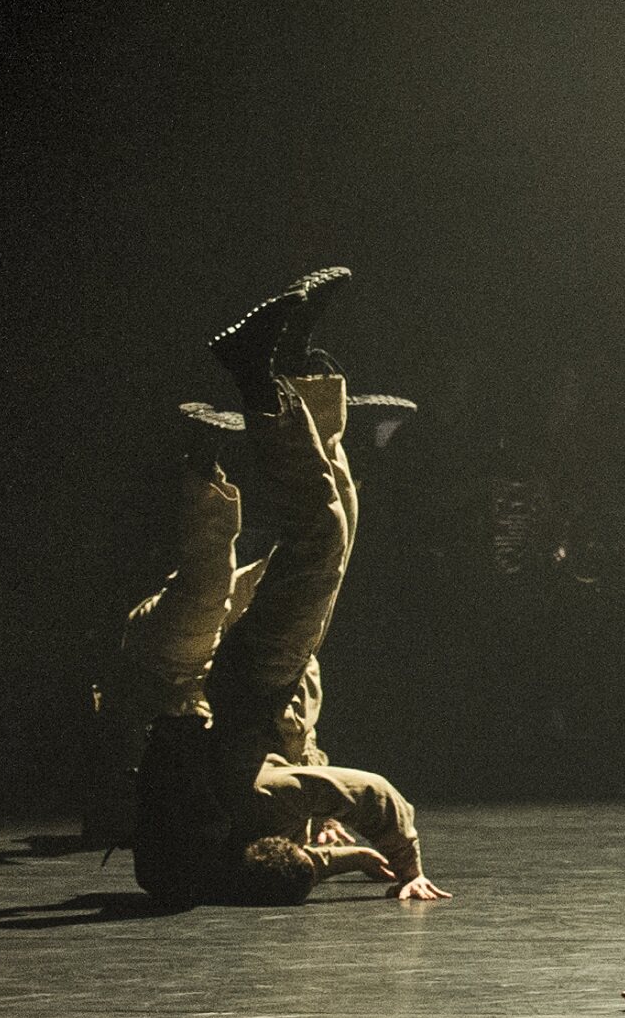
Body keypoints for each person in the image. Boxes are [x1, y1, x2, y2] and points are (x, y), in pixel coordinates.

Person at [123, 267, 445, 904]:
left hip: (254, 678)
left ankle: (258, 382)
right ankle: (300, 375)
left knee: (317, 539)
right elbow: (302, 864)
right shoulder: (210, 869)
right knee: (336, 531)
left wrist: (408, 863)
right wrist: (347, 857)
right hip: (255, 687)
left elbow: (374, 794)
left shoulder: (264, 805)